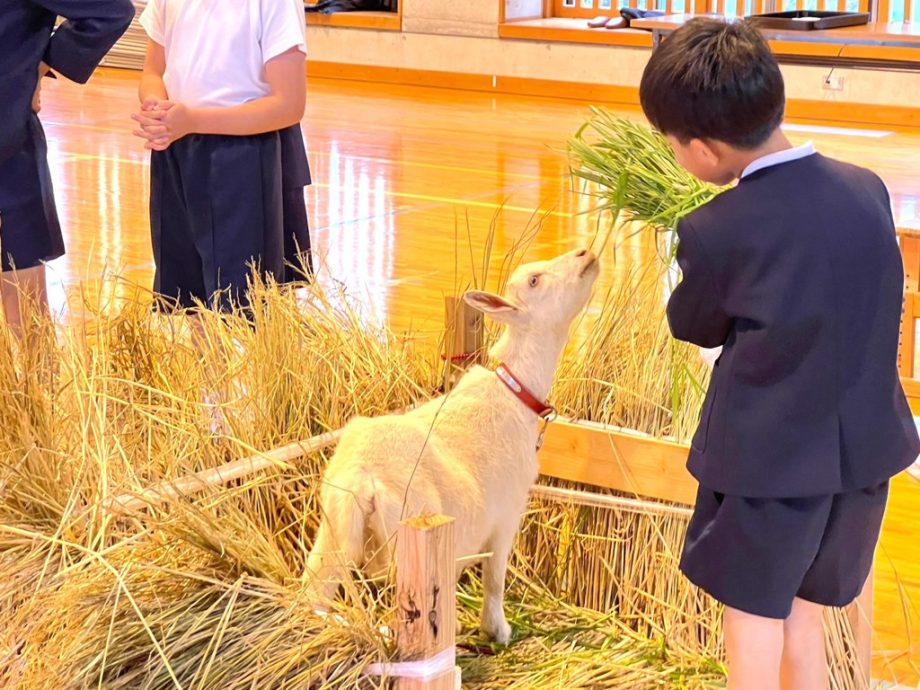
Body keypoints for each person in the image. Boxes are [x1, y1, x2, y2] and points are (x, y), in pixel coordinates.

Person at [638, 18, 920, 690]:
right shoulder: (866, 188)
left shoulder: (715, 228)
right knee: (802, 609)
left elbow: (696, 325)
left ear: (703, 152)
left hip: (769, 464)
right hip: (862, 461)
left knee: (754, 612)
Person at [132, 0, 311, 314]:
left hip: (246, 153)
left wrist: (194, 120)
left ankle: (258, 364)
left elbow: (290, 104)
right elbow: (152, 71)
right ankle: (210, 364)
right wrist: (157, 107)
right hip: (177, 143)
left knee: (251, 299)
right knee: (191, 295)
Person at [0, 0, 134, 336]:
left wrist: (39, 64)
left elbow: (111, 11)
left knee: (26, 319)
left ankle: (33, 389)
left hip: (8, 147)